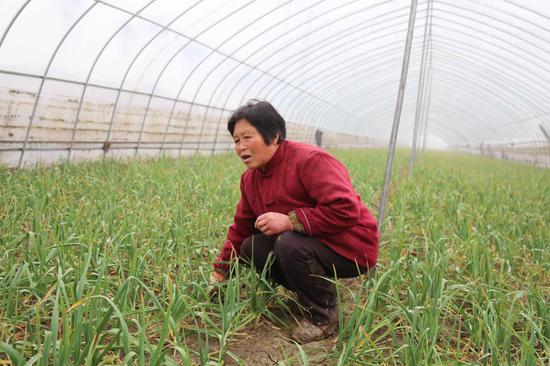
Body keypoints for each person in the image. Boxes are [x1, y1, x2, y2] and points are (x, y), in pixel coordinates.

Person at [210, 100, 379, 343]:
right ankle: (309, 291)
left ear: (275, 135)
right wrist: (221, 271)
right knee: (251, 246)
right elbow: (241, 228)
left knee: (288, 243)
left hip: (351, 248)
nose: (241, 147)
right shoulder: (250, 179)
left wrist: (292, 220)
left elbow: (346, 209)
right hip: (312, 245)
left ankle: (323, 315)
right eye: (236, 140)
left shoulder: (310, 161)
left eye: (248, 137)